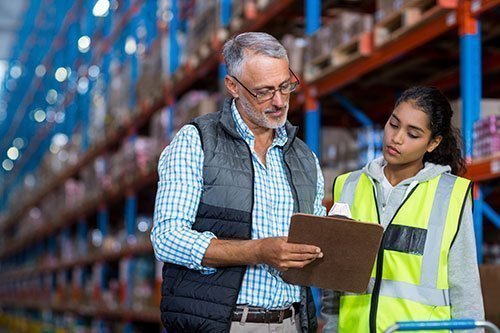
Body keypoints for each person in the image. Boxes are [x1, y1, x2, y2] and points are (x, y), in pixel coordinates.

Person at [151, 32, 326, 333]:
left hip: (293, 323)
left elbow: (316, 235)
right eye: (264, 92)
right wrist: (257, 251)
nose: (280, 101)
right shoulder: (197, 142)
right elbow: (167, 238)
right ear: (233, 86)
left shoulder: (304, 157)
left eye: (286, 86)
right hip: (226, 324)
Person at [321, 86, 484, 332]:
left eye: (413, 134)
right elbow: (334, 280)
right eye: (393, 124)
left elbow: (465, 288)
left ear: (433, 143)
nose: (396, 138)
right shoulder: (348, 186)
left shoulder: (451, 194)